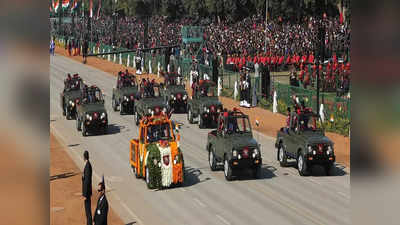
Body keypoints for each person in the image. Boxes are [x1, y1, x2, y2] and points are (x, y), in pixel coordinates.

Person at [82, 151, 93, 225]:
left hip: (87, 193)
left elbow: (87, 181)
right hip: (87, 192)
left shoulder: (88, 166)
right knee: (87, 210)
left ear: (84, 157)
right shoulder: (88, 165)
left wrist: (85, 194)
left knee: (88, 210)